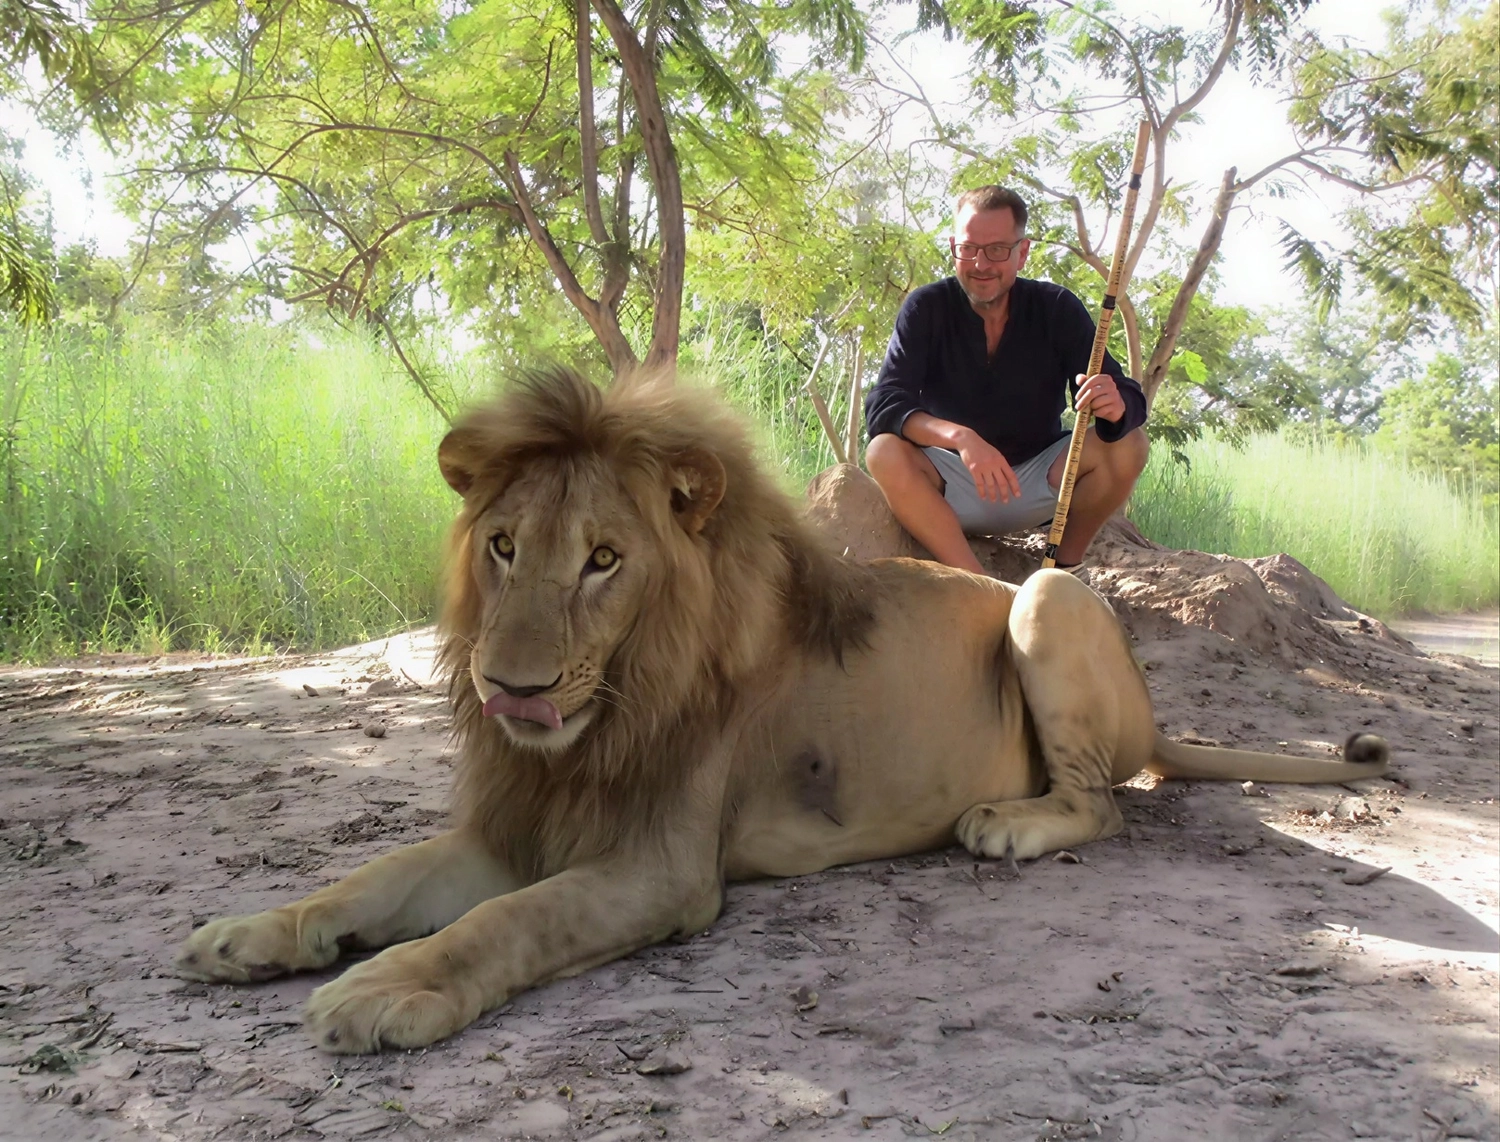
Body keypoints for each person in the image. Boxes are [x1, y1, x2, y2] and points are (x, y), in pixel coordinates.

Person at [863, 185, 1149, 574]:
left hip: (1041, 481)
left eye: (997, 249)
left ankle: (1063, 569)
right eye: (969, 248)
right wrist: (961, 439)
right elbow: (884, 404)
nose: (981, 264)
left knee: (1128, 443)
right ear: (953, 248)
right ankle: (977, 583)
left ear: (1022, 252)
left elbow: (1127, 396)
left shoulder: (1057, 308)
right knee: (883, 452)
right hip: (950, 482)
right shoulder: (926, 307)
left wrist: (1115, 405)